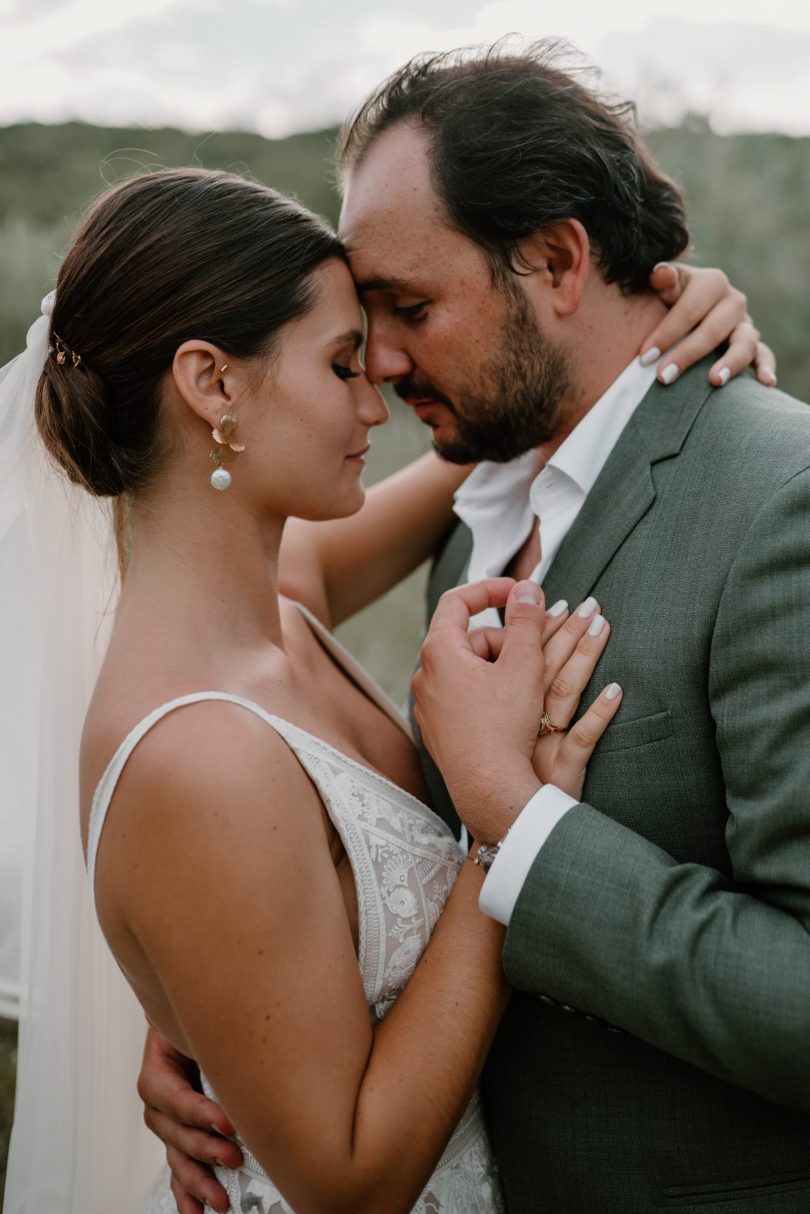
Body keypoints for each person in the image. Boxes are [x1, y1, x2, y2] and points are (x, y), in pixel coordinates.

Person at [147, 40, 810, 1214]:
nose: (384, 366)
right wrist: (216, 1017)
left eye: (410, 308)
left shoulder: (776, 501)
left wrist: (520, 817)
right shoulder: (481, 500)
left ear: (557, 259)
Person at [3, 165, 642, 1214]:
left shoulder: (282, 609)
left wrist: (636, 344)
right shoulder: (199, 758)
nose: (376, 401)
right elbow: (348, 1179)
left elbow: (473, 452)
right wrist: (505, 826)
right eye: (344, 363)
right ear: (213, 385)